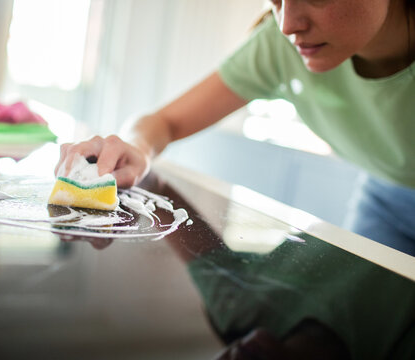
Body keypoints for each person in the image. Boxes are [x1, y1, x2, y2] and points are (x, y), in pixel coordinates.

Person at [56, 0, 415, 256]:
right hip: (385, 194)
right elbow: (163, 121)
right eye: (275, 1)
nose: (288, 24)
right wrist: (136, 147)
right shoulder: (279, 45)